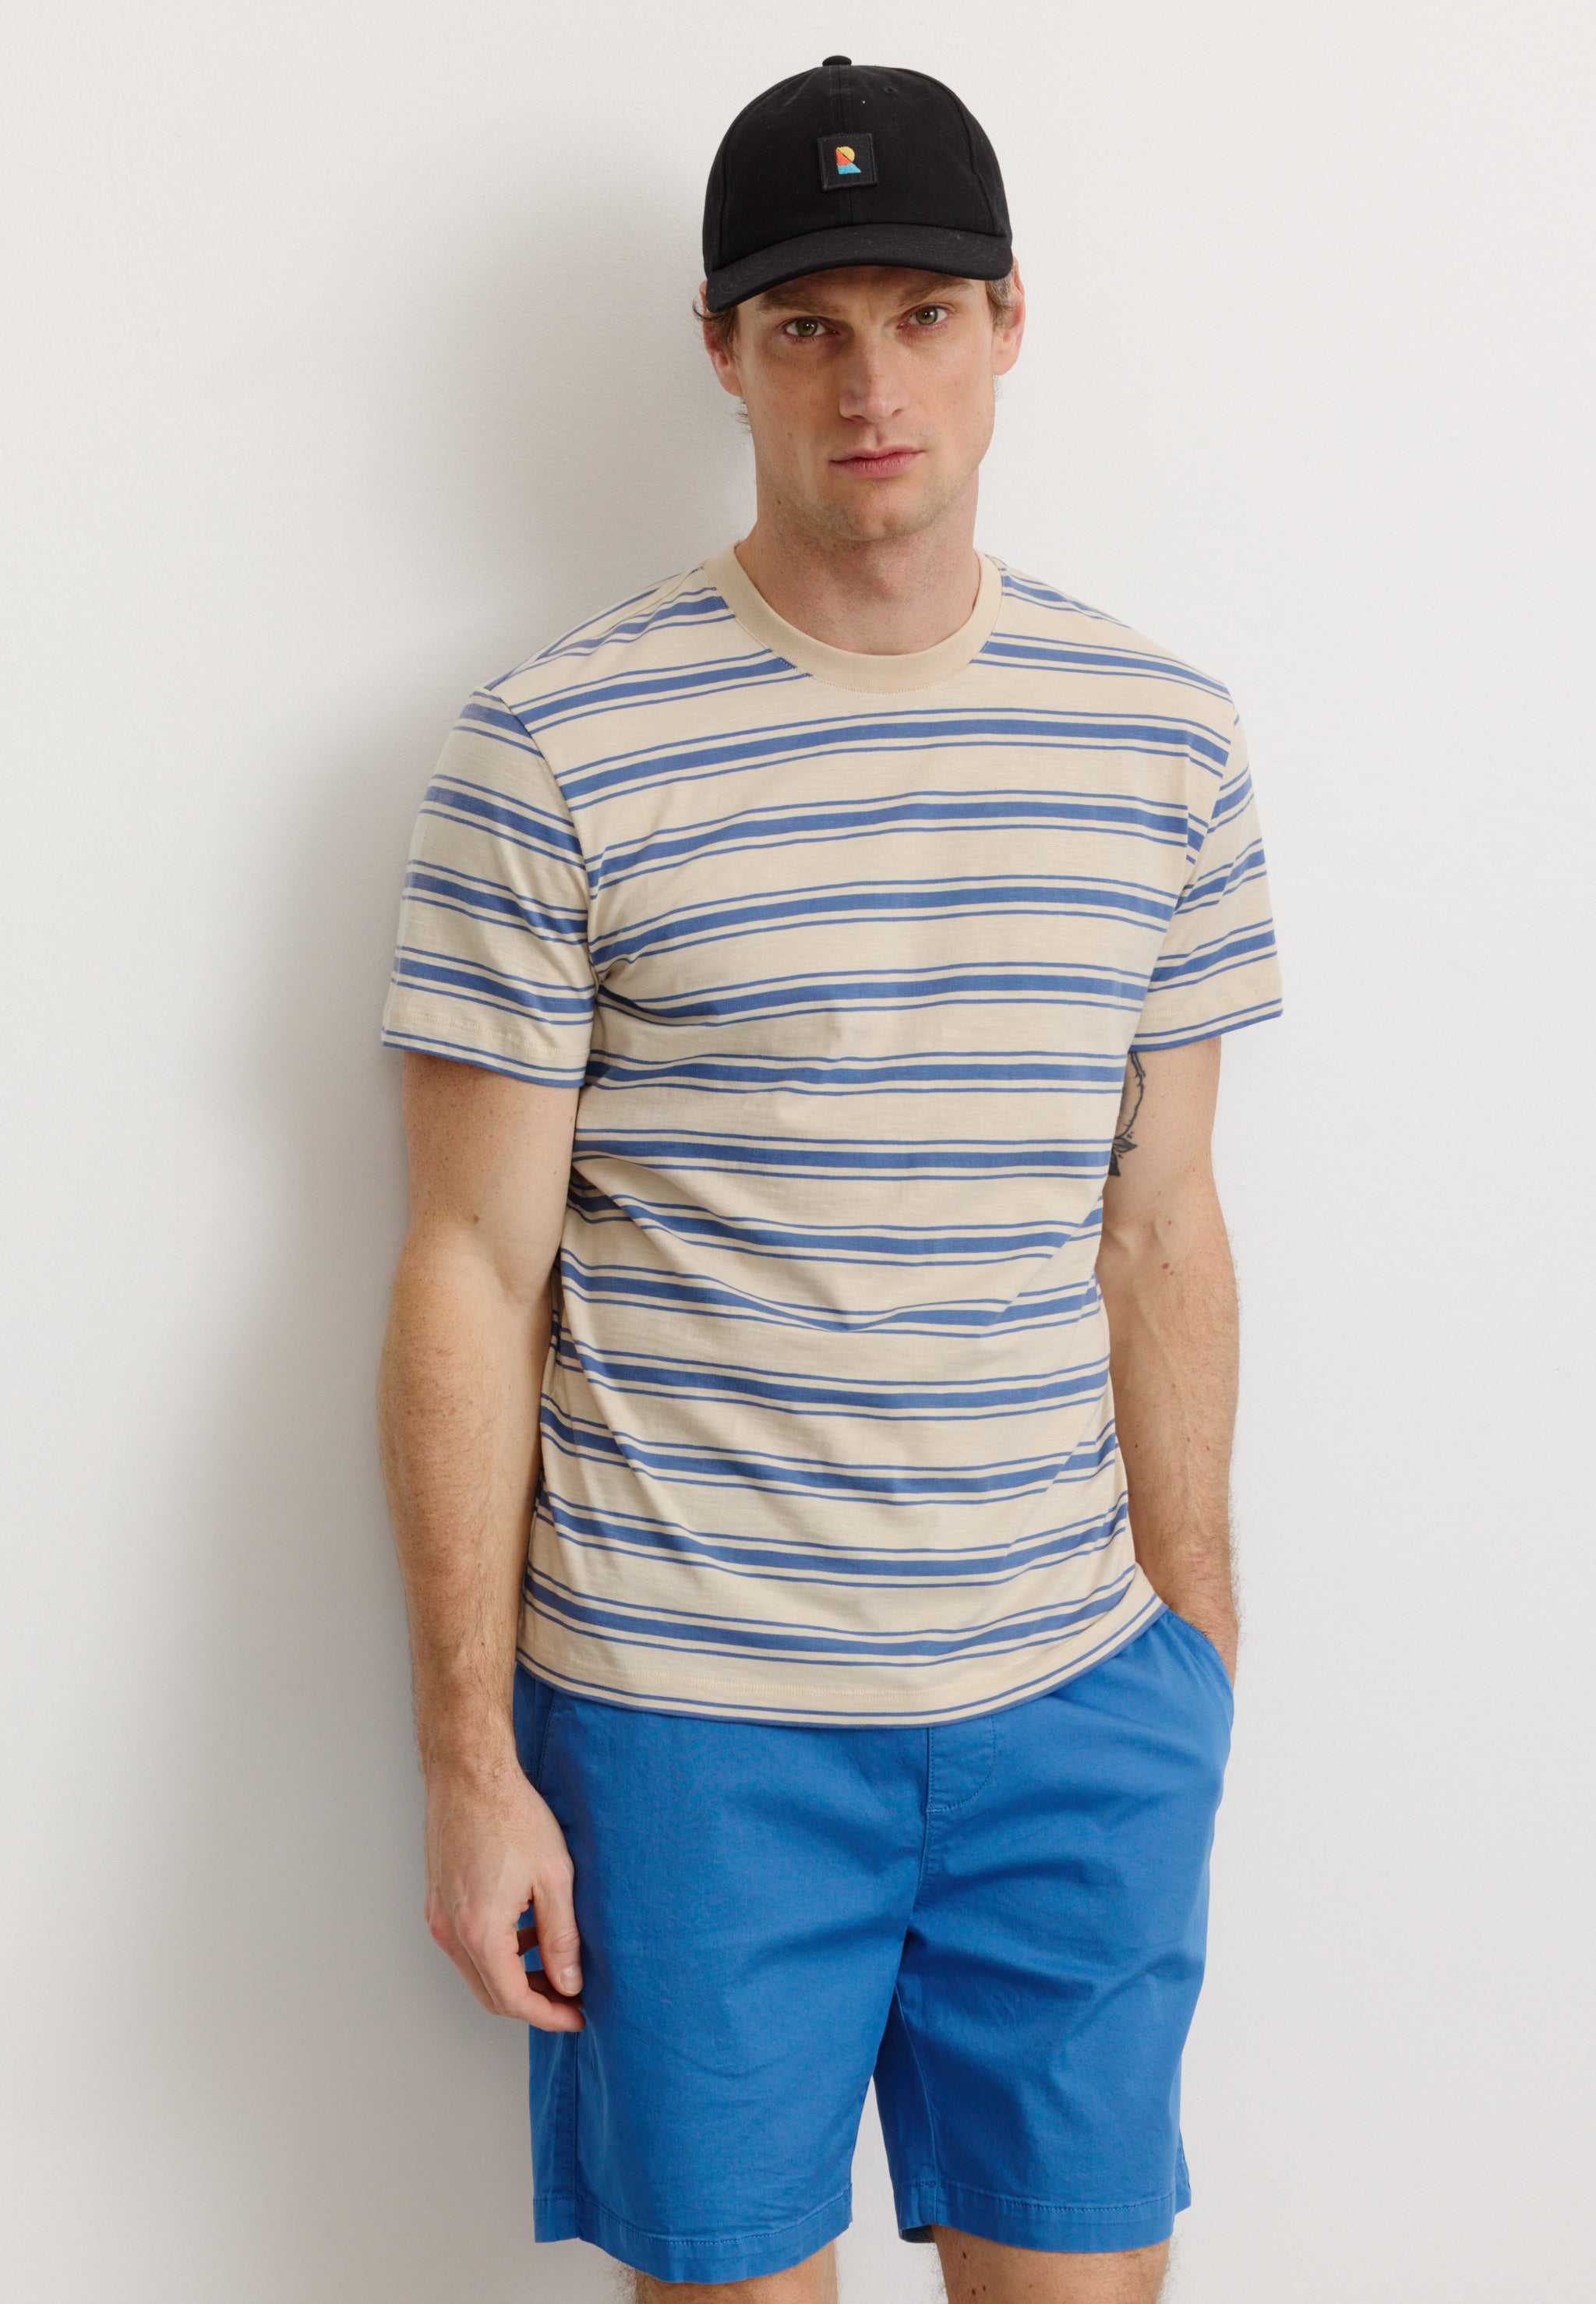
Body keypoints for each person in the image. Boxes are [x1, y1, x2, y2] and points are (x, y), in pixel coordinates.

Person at [376, 55, 1283, 2304]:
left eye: (922, 315)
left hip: (1074, 1706)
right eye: (807, 327)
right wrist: (471, 1756)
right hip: (691, 1727)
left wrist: (1194, 1648)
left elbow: (1163, 1219)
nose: (872, 385)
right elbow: (471, 1267)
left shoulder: (1162, 739)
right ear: (724, 349)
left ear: (1008, 323)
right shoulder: (554, 749)